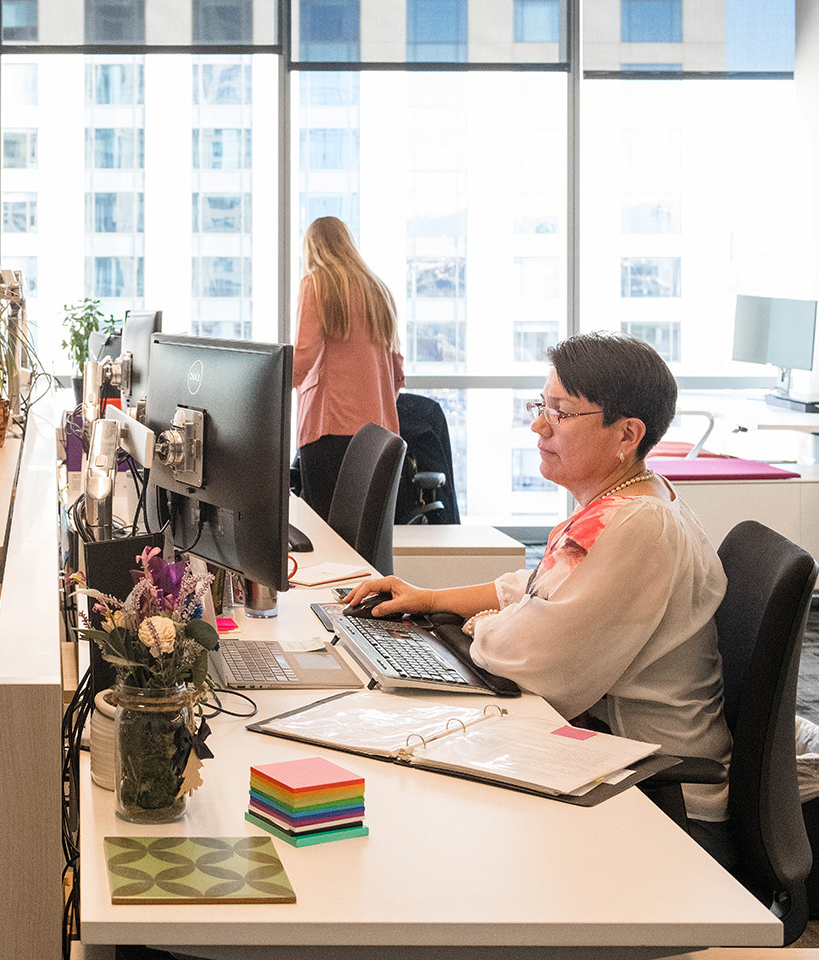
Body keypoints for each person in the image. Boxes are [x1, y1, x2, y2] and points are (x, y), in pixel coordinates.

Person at [343, 331, 734, 865]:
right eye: (540, 406)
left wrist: (477, 624)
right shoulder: (629, 497)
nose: (538, 425)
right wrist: (430, 597)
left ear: (627, 433)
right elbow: (539, 587)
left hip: (659, 795)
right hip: (616, 756)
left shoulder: (636, 525)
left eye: (560, 412)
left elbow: (528, 659)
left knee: (434, 815)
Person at [292, 215, 405, 520]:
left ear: (313, 249)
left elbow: (302, 357)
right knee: (363, 533)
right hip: (378, 436)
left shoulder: (317, 283)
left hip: (329, 428)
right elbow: (396, 374)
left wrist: (260, 387)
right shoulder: (377, 290)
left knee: (325, 531)